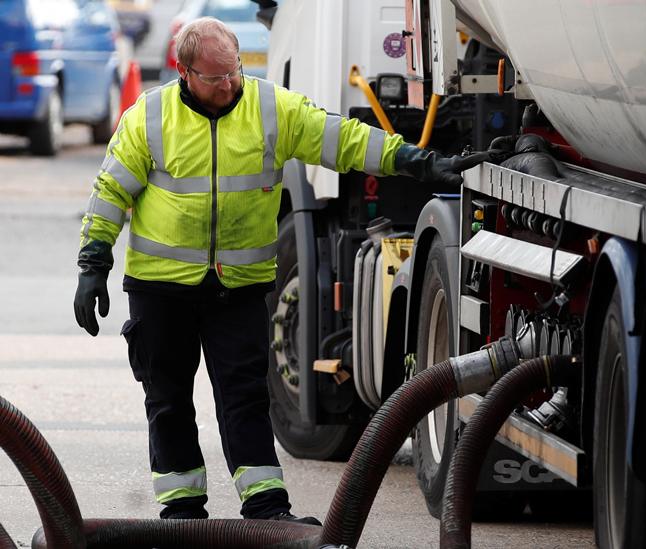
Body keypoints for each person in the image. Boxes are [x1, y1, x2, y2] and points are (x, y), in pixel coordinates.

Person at [72, 17, 473, 524]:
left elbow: (342, 139)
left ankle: (265, 508)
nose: (230, 84)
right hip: (161, 288)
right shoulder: (149, 118)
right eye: (216, 78)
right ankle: (182, 509)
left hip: (237, 289)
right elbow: (110, 193)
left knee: (244, 398)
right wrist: (93, 264)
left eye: (235, 70)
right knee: (168, 398)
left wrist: (418, 162)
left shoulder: (269, 108)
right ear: (185, 73)